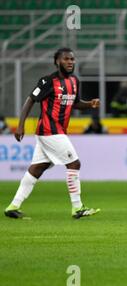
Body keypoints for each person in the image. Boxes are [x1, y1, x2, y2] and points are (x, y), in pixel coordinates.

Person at [4, 48, 101, 220]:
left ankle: (13, 206)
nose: (70, 62)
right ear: (57, 61)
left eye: (72, 59)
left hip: (55, 132)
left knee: (36, 169)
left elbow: (75, 103)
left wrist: (89, 104)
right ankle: (77, 208)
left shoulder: (74, 81)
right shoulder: (48, 81)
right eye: (66, 59)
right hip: (49, 131)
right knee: (74, 164)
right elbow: (30, 100)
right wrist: (20, 125)